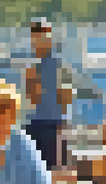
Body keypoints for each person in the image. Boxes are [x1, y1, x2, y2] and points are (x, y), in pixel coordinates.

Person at [23, 18, 72, 171]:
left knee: (46, 168)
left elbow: (33, 96)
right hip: (46, 121)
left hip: (47, 122)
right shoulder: (57, 63)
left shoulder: (37, 66)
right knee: (48, 168)